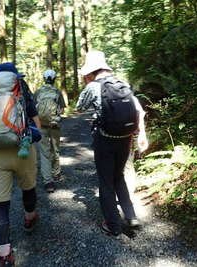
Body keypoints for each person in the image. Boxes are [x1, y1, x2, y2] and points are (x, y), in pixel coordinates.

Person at [76, 51, 149, 236]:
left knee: (106, 181)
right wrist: (142, 135)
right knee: (119, 176)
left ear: (90, 71)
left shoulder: (93, 86)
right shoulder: (123, 83)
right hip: (125, 140)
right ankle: (131, 216)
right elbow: (139, 111)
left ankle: (113, 225)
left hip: (105, 140)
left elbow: (79, 107)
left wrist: (87, 85)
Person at [0, 63, 41, 266]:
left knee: (0, 204)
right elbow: (34, 117)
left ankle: (5, 254)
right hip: (22, 149)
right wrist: (36, 137)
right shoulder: (21, 87)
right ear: (13, 75)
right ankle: (29, 218)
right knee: (28, 186)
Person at [34, 70, 66, 193]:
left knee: (44, 153)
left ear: (43, 79)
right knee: (55, 149)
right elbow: (62, 110)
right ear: (54, 79)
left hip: (41, 125)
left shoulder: (38, 92)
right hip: (54, 125)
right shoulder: (57, 92)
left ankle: (48, 181)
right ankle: (56, 173)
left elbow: (33, 109)